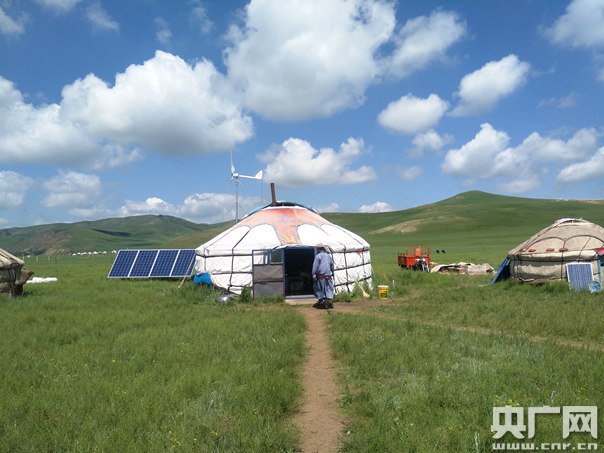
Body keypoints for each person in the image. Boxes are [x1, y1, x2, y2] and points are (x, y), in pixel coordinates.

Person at [312, 244, 334, 309]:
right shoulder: (328, 256)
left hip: (320, 276)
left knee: (319, 289)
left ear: (319, 249)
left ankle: (321, 301)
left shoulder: (318, 256)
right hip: (328, 276)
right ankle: (326, 301)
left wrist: (313, 275)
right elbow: (332, 265)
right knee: (328, 289)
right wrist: (332, 272)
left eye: (317, 249)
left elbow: (315, 266)